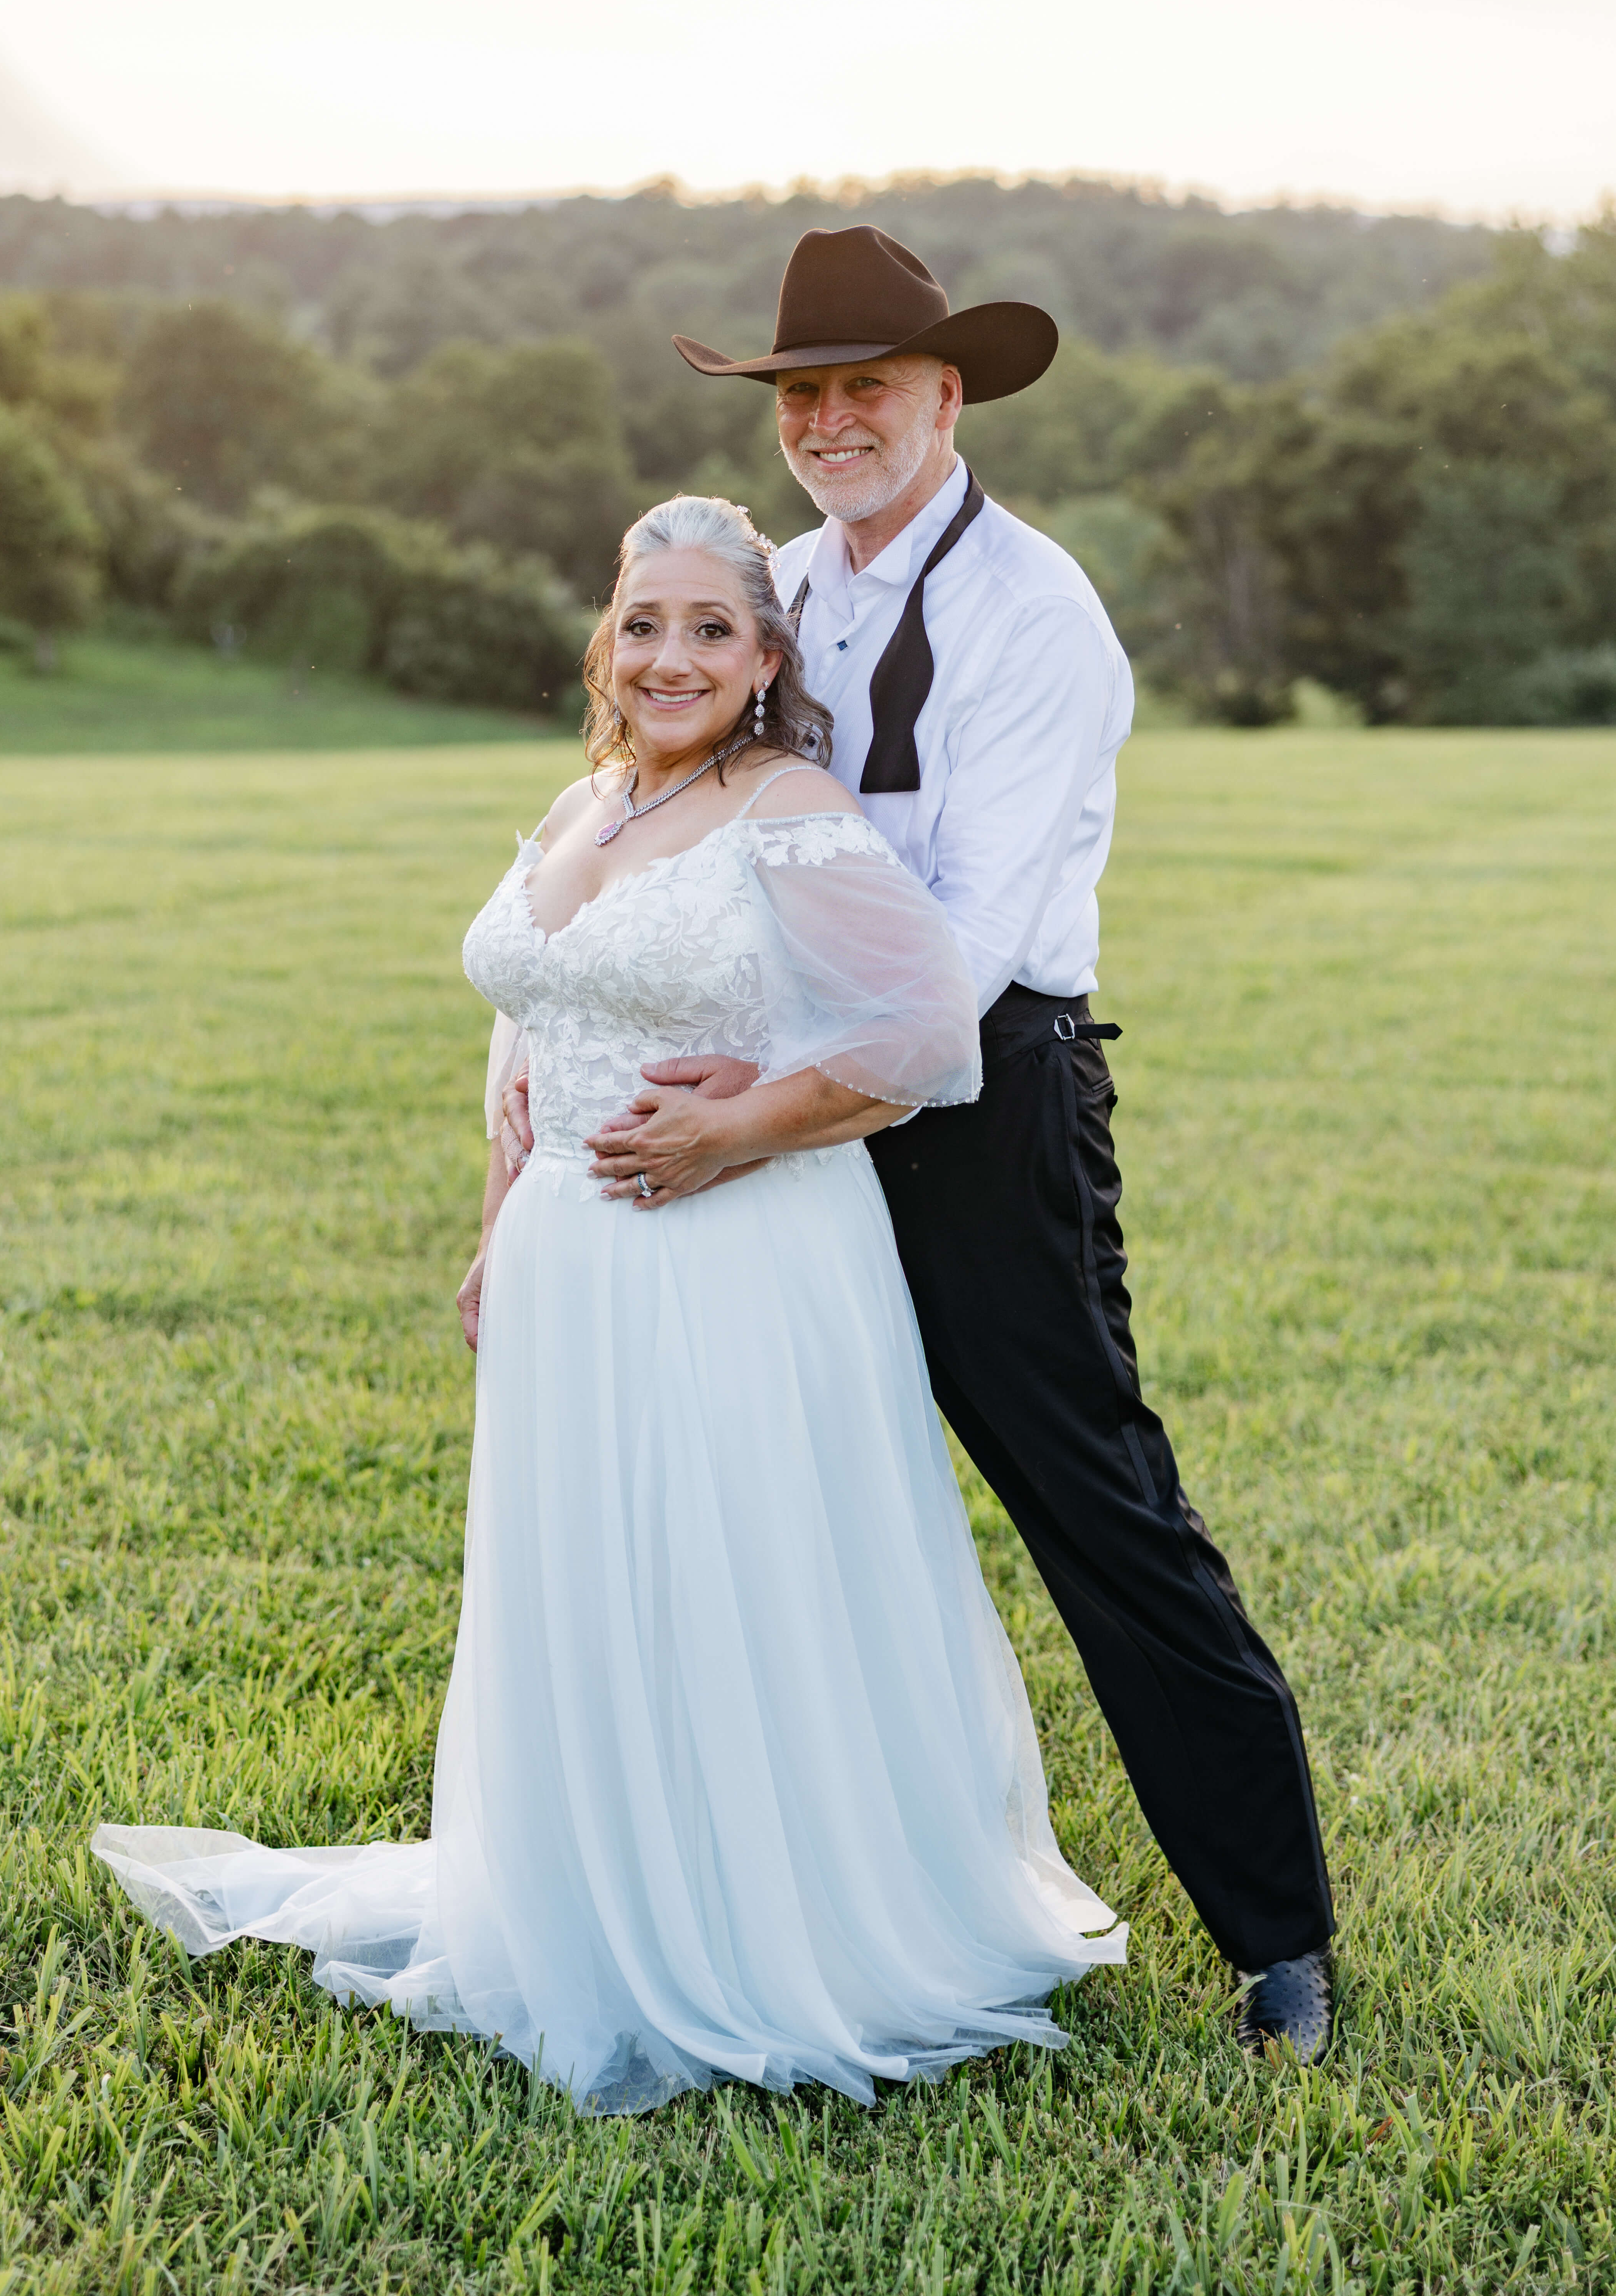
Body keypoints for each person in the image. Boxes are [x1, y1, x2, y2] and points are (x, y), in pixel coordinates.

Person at [94, 494, 1127, 2113]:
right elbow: (524, 1022)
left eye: (713, 628)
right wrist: (496, 1225)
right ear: (607, 638)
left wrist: (744, 1119)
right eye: (644, 623)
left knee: (726, 1573)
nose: (671, 655)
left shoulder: (784, 803)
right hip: (573, 1259)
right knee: (590, 1581)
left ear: (768, 656)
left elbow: (929, 1027)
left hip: (740, 1250)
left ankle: (756, 1925)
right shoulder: (584, 801)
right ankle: (589, 1889)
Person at [559, 223, 1336, 2060]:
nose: (832, 422)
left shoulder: (1032, 611)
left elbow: (966, 949)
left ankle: (1279, 1939)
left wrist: (769, 1113)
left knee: (1094, 1499)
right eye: (804, 394)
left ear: (946, 395)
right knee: (780, 1499)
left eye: (868, 388)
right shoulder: (784, 586)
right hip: (779, 1103)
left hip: (982, 1095)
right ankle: (773, 1904)